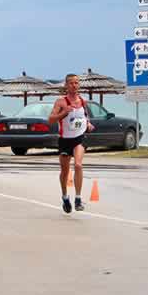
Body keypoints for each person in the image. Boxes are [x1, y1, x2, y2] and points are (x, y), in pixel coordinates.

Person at [48, 74, 95, 214]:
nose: (74, 85)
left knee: (78, 165)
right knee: (65, 171)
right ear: (66, 86)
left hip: (79, 138)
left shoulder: (82, 101)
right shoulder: (61, 102)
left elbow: (84, 116)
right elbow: (50, 120)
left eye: (76, 83)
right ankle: (65, 197)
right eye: (71, 83)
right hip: (64, 140)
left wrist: (88, 124)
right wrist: (63, 113)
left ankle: (78, 199)